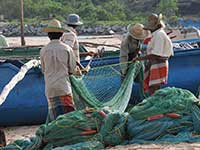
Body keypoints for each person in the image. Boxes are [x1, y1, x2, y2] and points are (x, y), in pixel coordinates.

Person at [40, 19, 81, 122]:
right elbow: (72, 69)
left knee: (54, 117)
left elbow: (43, 70)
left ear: (48, 35)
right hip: (64, 87)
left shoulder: (43, 50)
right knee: (69, 116)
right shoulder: (67, 49)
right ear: (61, 34)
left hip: (50, 88)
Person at [133, 13, 174, 95]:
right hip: (154, 63)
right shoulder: (156, 34)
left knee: (154, 88)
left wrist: (139, 59)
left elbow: (156, 54)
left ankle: (155, 102)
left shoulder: (159, 34)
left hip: (158, 63)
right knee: (152, 87)